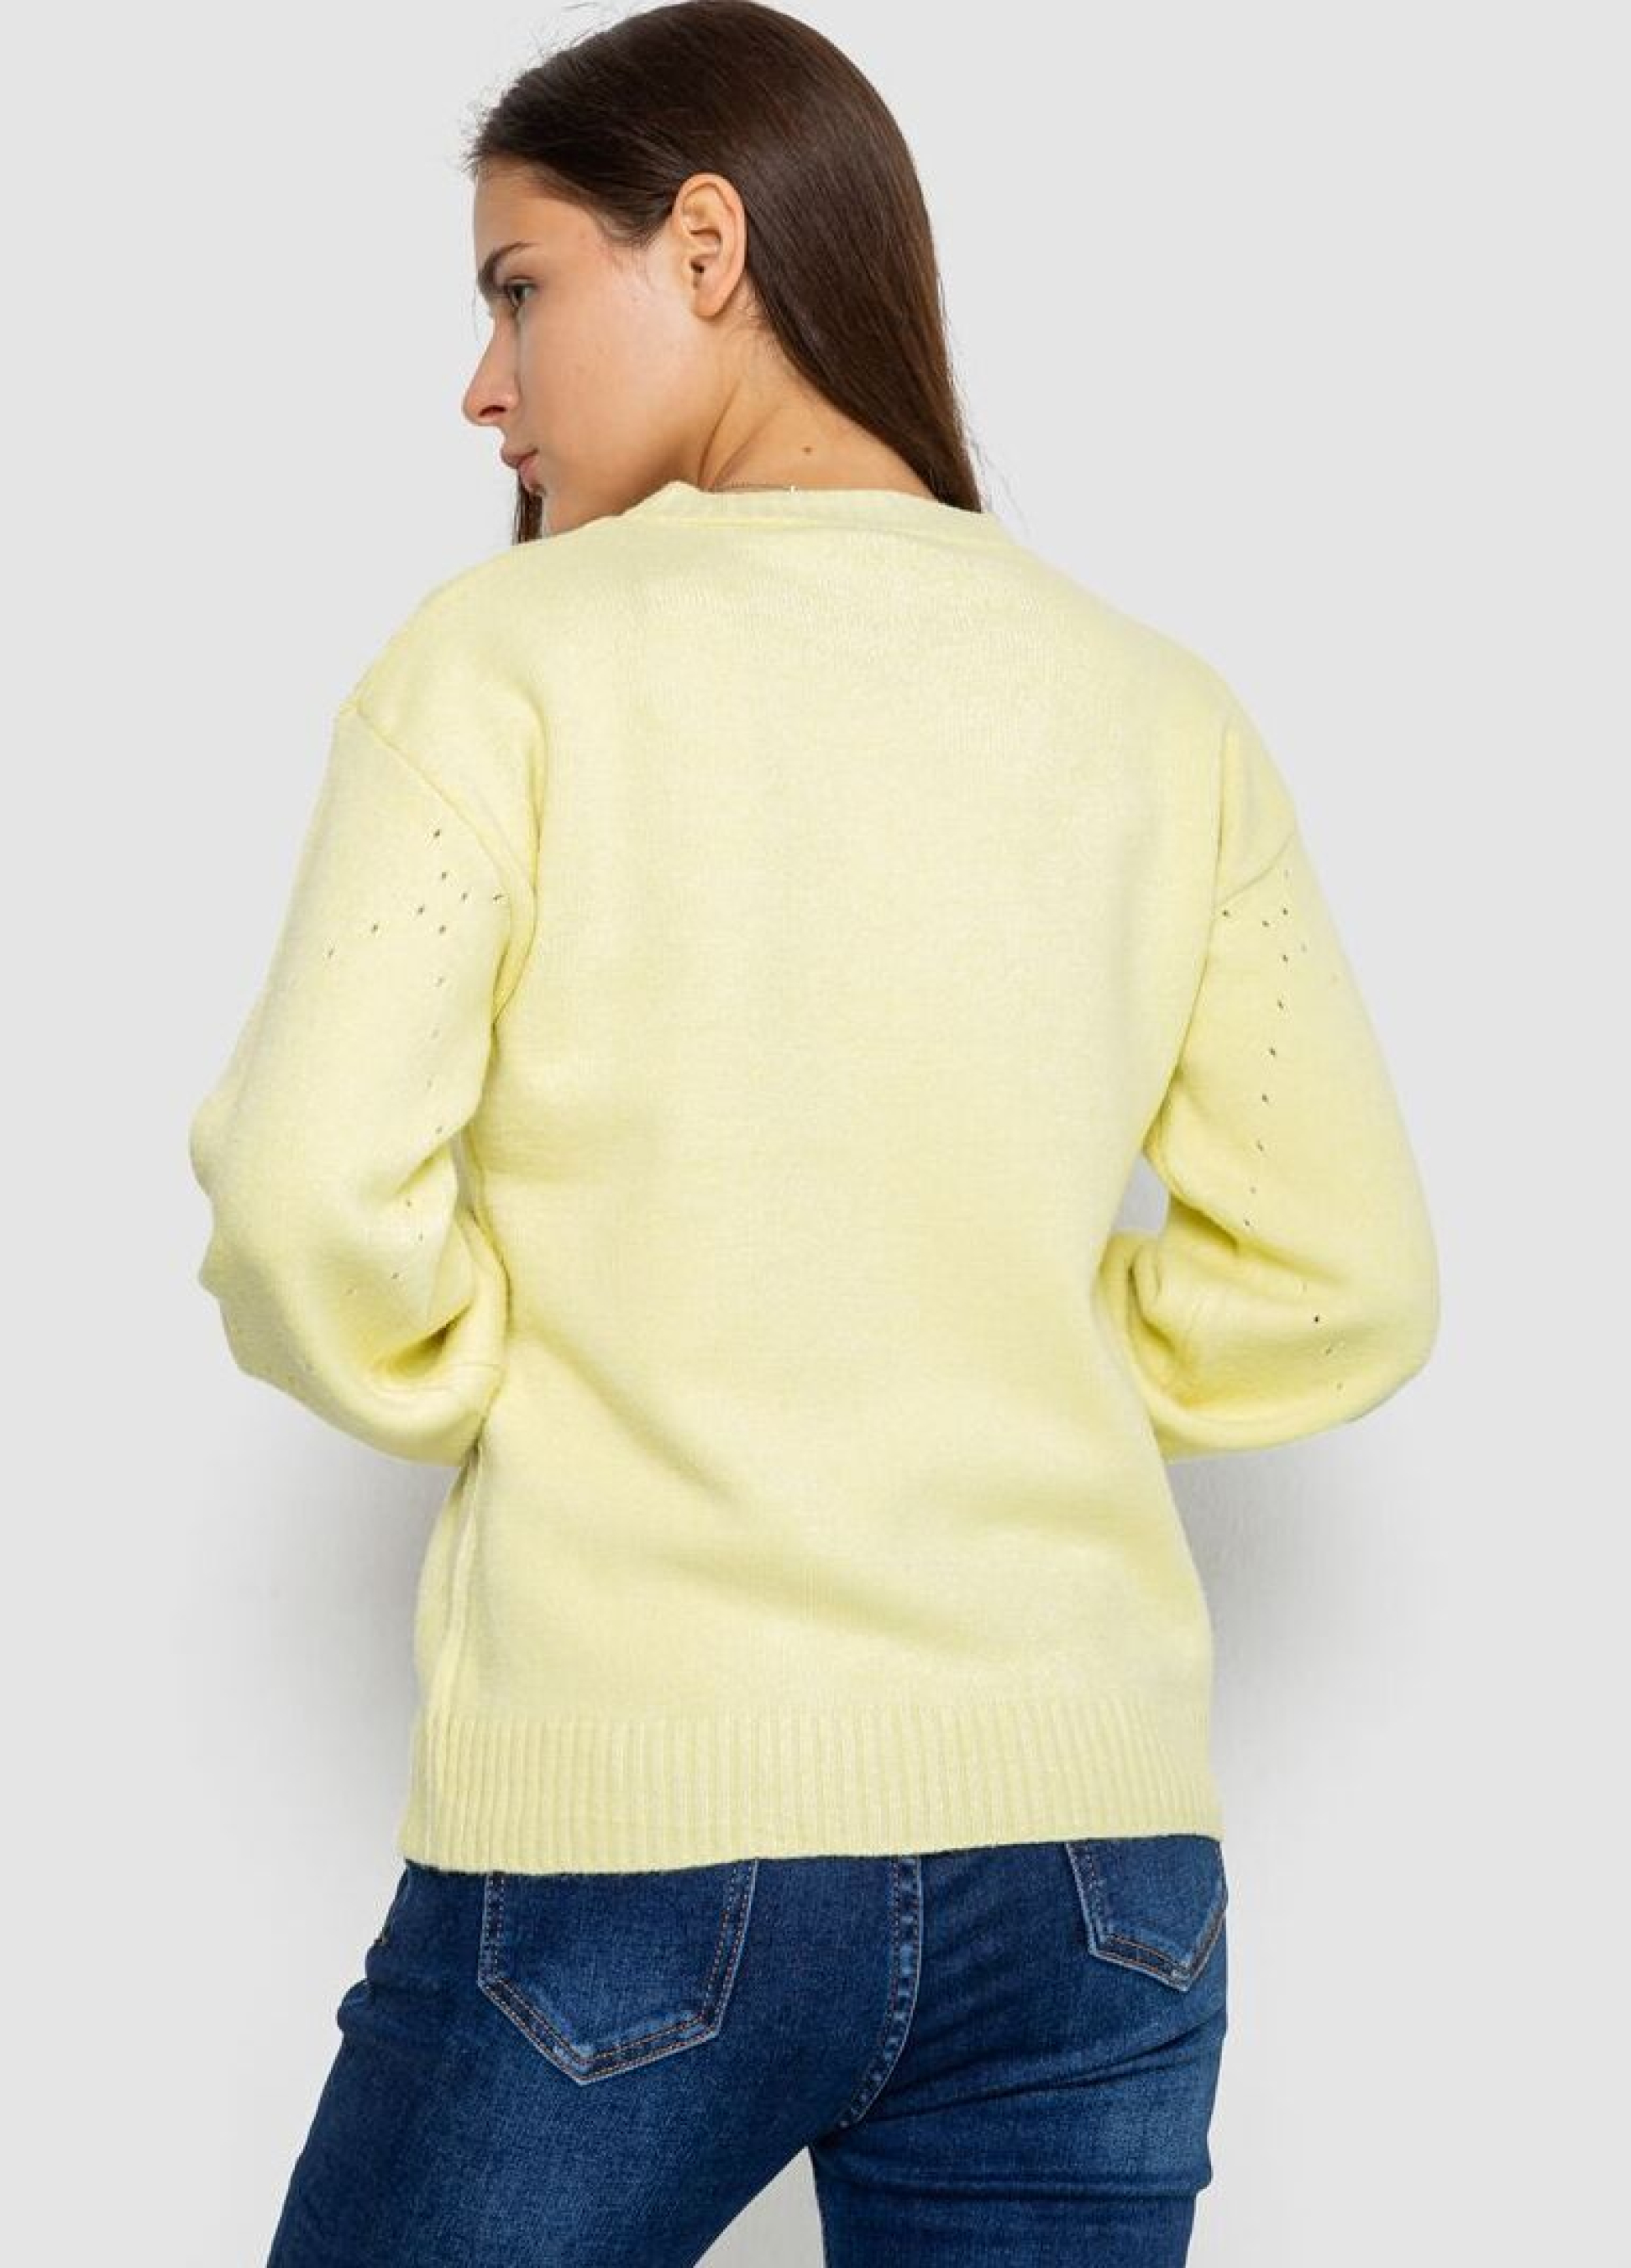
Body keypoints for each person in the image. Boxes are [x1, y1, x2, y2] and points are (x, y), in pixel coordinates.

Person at [186, 4, 1440, 2261]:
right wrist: (1004, 1358)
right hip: (1098, 1869)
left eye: (514, 289)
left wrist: (496, 1372)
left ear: (704, 245)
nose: (482, 387)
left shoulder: (509, 661)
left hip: (633, 1836)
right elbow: (1342, 1277)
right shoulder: (1156, 711)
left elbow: (302, 1202)